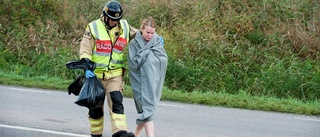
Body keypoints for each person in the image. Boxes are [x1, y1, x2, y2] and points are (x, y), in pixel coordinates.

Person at [79, 1, 139, 137]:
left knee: (117, 104)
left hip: (115, 76)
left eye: (117, 19)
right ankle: (96, 134)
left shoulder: (124, 26)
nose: (114, 22)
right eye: (112, 19)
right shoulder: (93, 27)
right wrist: (87, 64)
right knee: (96, 110)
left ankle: (120, 134)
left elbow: (139, 35)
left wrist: (153, 38)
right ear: (105, 16)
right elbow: (85, 49)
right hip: (96, 77)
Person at [127, 17, 168, 137]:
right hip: (139, 81)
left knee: (148, 110)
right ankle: (138, 134)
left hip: (152, 81)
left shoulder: (157, 42)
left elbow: (163, 59)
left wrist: (149, 56)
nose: (150, 35)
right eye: (147, 32)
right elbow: (133, 64)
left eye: (152, 33)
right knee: (147, 110)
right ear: (141, 29)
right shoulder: (134, 43)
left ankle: (136, 134)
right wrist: (147, 54)